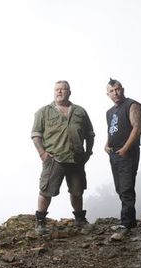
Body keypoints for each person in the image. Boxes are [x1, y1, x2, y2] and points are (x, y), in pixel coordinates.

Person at [31, 80, 95, 235]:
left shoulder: (80, 111)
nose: (59, 92)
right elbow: (36, 135)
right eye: (57, 89)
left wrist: (88, 152)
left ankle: (80, 220)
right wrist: (42, 153)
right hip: (54, 159)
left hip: (77, 159)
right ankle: (40, 222)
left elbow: (90, 134)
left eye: (63, 89)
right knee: (46, 191)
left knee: (77, 191)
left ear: (69, 92)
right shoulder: (44, 112)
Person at [104, 78, 141, 240]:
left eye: (118, 89)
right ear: (107, 94)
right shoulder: (109, 112)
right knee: (120, 188)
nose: (115, 93)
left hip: (127, 152)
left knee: (127, 188)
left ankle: (125, 225)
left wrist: (126, 148)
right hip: (114, 153)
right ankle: (130, 221)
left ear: (123, 89)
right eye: (112, 91)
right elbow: (112, 130)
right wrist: (106, 145)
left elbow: (137, 127)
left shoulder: (133, 105)